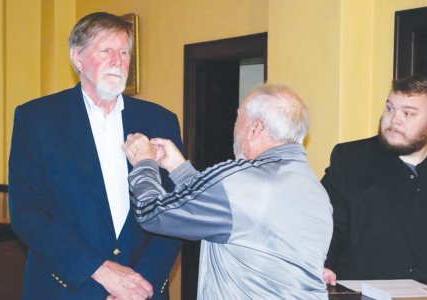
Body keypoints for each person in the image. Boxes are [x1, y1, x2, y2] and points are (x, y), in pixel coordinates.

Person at [8, 12, 182, 300]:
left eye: (124, 52)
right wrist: (101, 270)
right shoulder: (37, 119)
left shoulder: (160, 121)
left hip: (142, 289)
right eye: (106, 51)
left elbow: (176, 210)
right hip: (65, 288)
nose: (118, 60)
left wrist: (140, 287)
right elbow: (27, 213)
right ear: (78, 59)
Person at [122, 84, 333, 299]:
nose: (234, 127)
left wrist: (143, 163)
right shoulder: (317, 192)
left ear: (255, 129)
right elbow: (228, 212)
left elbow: (153, 213)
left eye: (239, 118)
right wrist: (178, 168)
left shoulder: (238, 180)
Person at [322, 75, 427, 285]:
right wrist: (323, 263)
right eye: (390, 108)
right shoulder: (351, 159)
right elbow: (328, 223)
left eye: (408, 113)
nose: (394, 120)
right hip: (365, 293)